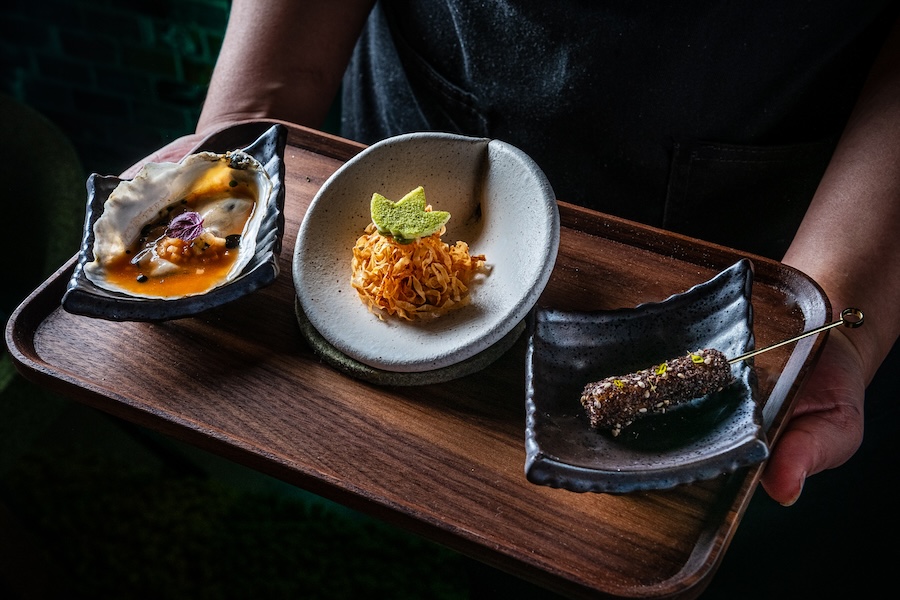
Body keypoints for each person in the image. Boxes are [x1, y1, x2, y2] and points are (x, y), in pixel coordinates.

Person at [127, 0, 900, 595]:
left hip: (788, 210)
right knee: (477, 532)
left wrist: (846, 305)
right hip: (430, 111)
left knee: (722, 550)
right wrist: (244, 128)